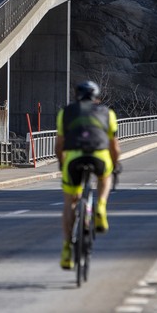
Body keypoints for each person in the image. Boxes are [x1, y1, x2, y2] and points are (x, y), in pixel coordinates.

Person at [55, 80, 120, 270]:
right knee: (104, 177)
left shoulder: (65, 113)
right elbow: (114, 146)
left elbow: (59, 145)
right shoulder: (108, 113)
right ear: (97, 97)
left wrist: (61, 161)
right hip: (99, 156)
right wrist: (114, 165)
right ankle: (100, 207)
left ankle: (67, 249)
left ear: (76, 96)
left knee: (70, 202)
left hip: (73, 158)